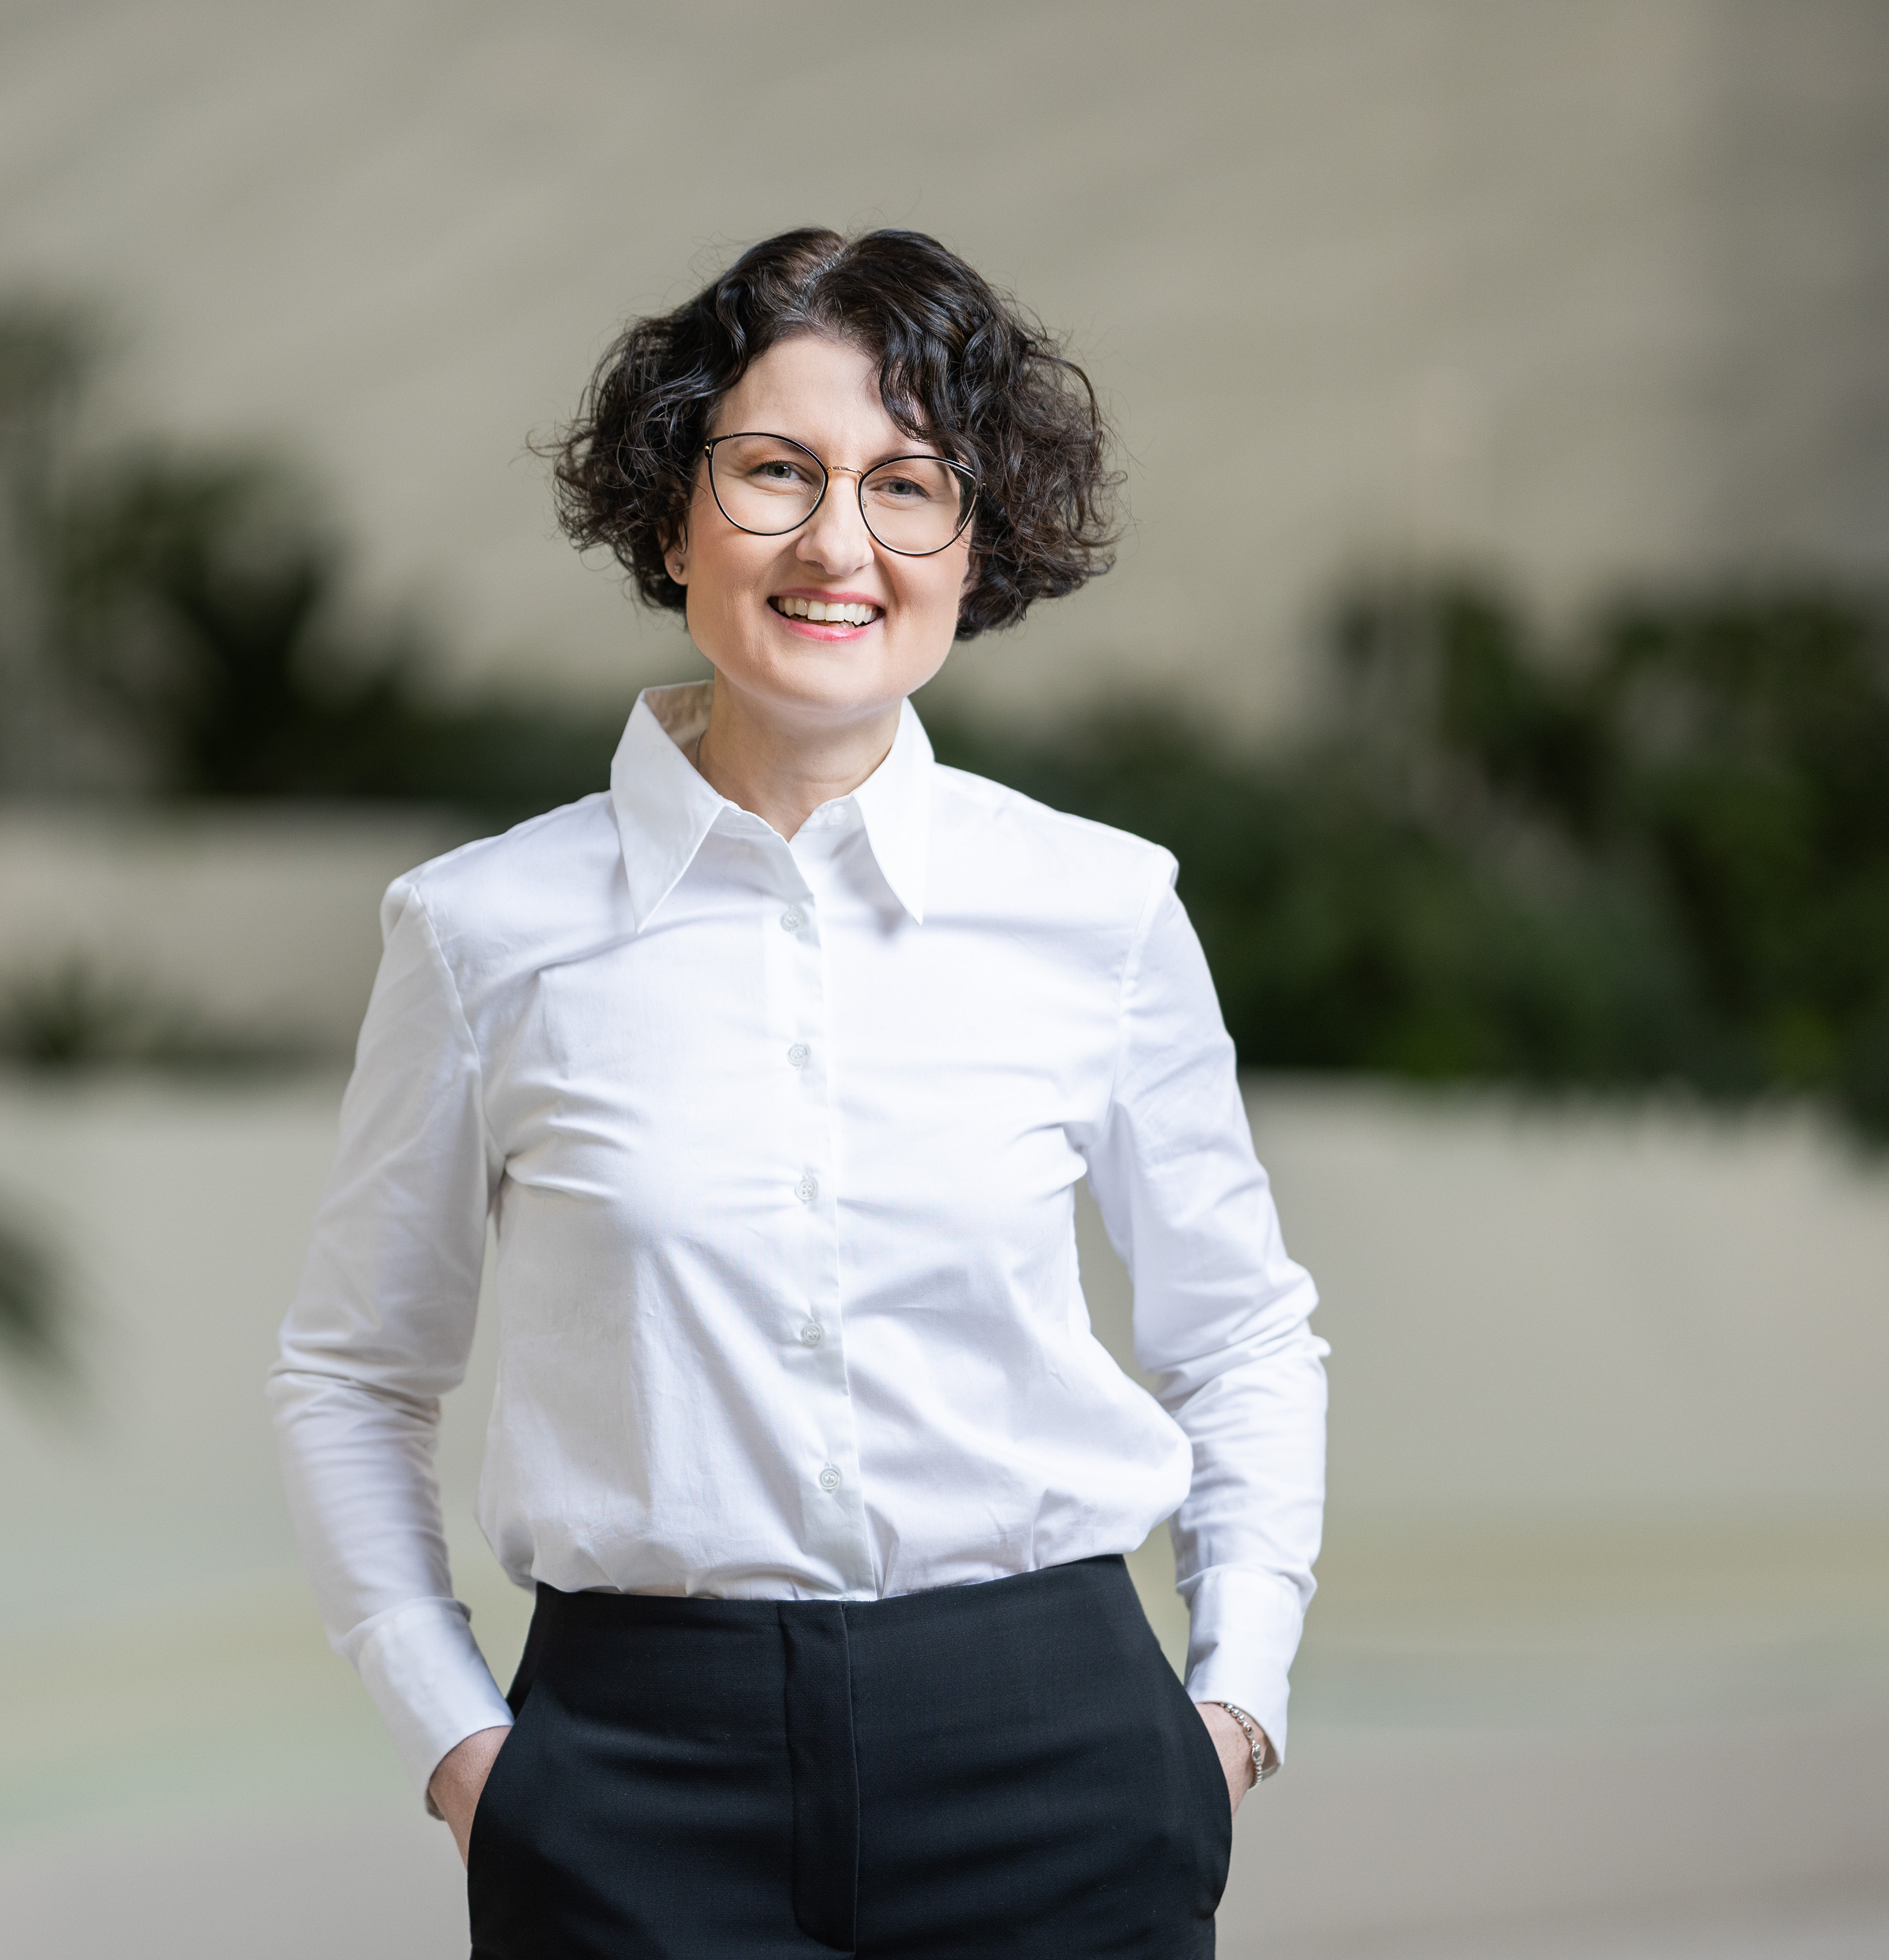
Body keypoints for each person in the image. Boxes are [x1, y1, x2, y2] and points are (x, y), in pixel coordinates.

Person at [268, 227, 1326, 1958]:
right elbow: (354, 1372)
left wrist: (1232, 1713)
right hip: (635, 1788)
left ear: (976, 544)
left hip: (1059, 1762)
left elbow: (1244, 1335)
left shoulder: (1102, 909)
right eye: (776, 472)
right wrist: (461, 1749)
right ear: (670, 514)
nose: (841, 544)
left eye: (909, 486)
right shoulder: (482, 932)